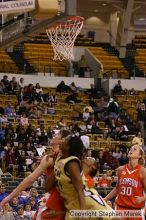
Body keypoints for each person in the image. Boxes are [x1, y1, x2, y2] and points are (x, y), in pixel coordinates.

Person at [0, 129, 70, 219]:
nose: (54, 135)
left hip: (62, 198)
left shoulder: (65, 159)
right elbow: (30, 179)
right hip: (59, 199)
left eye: (58, 134)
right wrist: (9, 197)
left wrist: (8, 197)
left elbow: (30, 180)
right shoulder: (50, 158)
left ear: (62, 140)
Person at [46, 135, 113, 220]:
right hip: (72, 205)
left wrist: (83, 213)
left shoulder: (72, 163)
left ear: (68, 147)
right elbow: (47, 187)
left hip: (86, 200)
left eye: (64, 140)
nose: (62, 140)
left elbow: (80, 189)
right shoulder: (60, 159)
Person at [104, 144, 146, 220]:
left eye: (134, 149)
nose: (131, 150)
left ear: (139, 156)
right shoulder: (120, 169)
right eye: (130, 149)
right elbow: (117, 189)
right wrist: (104, 199)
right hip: (120, 208)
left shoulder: (143, 171)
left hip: (136, 211)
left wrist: (143, 198)